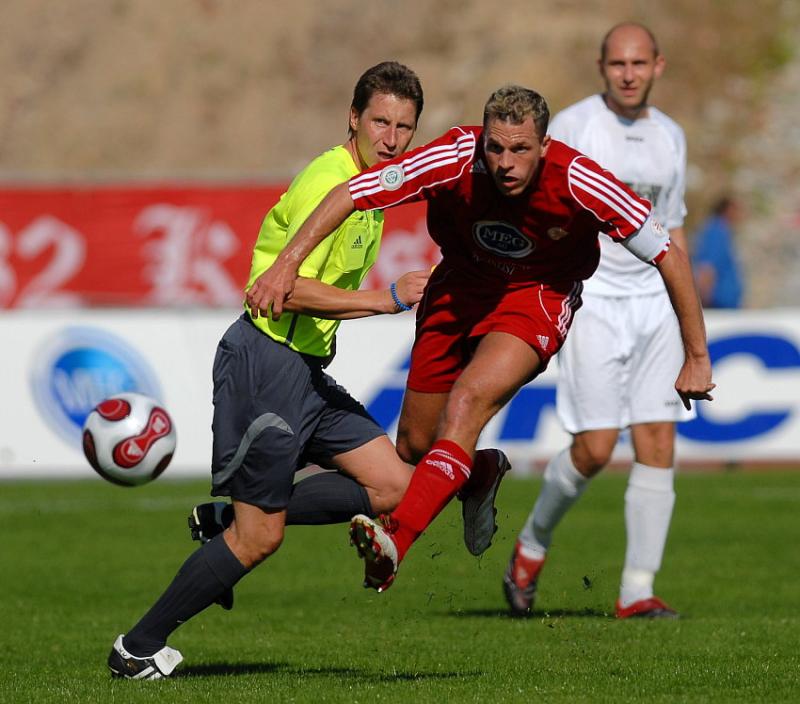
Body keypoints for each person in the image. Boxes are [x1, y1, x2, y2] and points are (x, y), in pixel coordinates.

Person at [249, 83, 715, 595]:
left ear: (544, 146)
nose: (505, 162)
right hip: (461, 284)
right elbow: (352, 191)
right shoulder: (453, 156)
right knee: (416, 447)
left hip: (536, 295)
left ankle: (394, 543)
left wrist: (696, 355)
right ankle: (480, 471)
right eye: (495, 147)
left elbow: (667, 251)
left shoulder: (580, 179)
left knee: (468, 402)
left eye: (520, 149)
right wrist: (285, 267)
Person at [107, 61, 435, 679]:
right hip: (264, 362)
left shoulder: (373, 188)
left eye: (404, 127)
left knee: (395, 485)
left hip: (304, 370)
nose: (391, 138)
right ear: (353, 119)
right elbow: (281, 289)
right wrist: (384, 299)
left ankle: (224, 518)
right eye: (380, 122)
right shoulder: (328, 181)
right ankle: (138, 647)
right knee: (262, 538)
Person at [503, 22, 699, 620]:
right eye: (618, 64)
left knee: (657, 440)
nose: (629, 74)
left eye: (639, 63)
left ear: (658, 66)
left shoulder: (671, 137)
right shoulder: (575, 126)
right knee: (591, 450)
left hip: (654, 305)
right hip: (591, 300)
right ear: (602, 66)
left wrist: (690, 318)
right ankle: (531, 546)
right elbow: (539, 207)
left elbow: (673, 228)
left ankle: (637, 591)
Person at [693, 196, 745, 308]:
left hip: (728, 304)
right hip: (718, 305)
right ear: (727, 210)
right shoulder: (716, 232)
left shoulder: (723, 231)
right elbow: (707, 268)